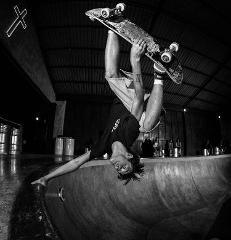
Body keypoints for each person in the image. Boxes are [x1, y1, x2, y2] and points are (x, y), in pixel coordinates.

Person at [31, 30, 165, 186]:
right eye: (126, 168)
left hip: (125, 94)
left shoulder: (102, 147)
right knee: (146, 126)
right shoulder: (129, 134)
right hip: (143, 102)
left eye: (119, 172)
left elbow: (76, 163)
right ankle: (159, 75)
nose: (119, 169)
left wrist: (46, 178)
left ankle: (112, 30)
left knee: (109, 75)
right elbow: (140, 97)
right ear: (129, 156)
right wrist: (135, 60)